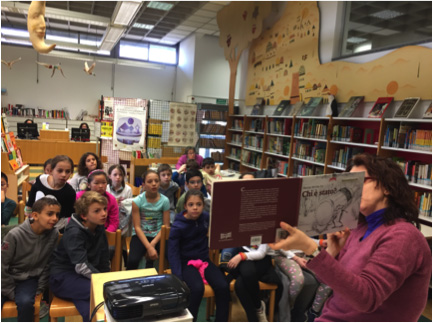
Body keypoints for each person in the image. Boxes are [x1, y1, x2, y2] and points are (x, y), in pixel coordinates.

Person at [270, 153, 432, 322]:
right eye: (349, 183)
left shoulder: (403, 237)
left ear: (387, 187)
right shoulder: (359, 228)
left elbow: (366, 299)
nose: (352, 190)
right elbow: (330, 281)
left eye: (360, 181)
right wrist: (332, 253)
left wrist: (312, 249)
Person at [168, 190, 230, 322]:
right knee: (196, 288)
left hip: (204, 260)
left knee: (223, 286)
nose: (195, 208)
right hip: (186, 262)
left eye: (198, 204)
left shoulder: (206, 218)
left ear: (203, 205)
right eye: (191, 204)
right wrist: (178, 277)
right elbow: (173, 253)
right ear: (185, 206)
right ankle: (191, 320)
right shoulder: (178, 226)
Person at [49, 191, 110, 322]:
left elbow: (104, 257)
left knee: (93, 305)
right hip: (63, 277)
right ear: (84, 215)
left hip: (83, 277)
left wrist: (107, 277)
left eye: (104, 209)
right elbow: (81, 266)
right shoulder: (74, 233)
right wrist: (103, 281)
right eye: (97, 211)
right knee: (100, 292)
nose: (104, 213)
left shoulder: (99, 227)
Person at [1, 197, 60, 322]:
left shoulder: (53, 234)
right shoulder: (15, 234)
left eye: (57, 214)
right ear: (35, 215)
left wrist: (40, 288)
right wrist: (10, 291)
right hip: (5, 277)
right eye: (50, 214)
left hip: (28, 279)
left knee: (26, 302)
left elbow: (49, 263)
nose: (55, 218)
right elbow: (2, 264)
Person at [227, 244, 283, 322]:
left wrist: (240, 256)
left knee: (240, 285)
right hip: (244, 254)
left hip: (261, 258)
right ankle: (258, 309)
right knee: (245, 277)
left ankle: (257, 311)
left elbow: (261, 253)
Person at [127, 170, 170, 270]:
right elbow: (137, 227)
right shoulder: (137, 201)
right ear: (143, 184)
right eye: (150, 181)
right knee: (132, 260)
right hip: (141, 235)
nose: (154, 184)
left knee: (171, 256)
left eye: (156, 181)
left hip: (159, 235)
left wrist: (153, 244)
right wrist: (149, 247)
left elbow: (166, 226)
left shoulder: (165, 200)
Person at [25, 155, 76, 230]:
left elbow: (67, 216)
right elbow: (30, 204)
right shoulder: (40, 180)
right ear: (51, 170)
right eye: (60, 171)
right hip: (35, 221)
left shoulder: (69, 192)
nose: (64, 175)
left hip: (55, 226)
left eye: (67, 171)